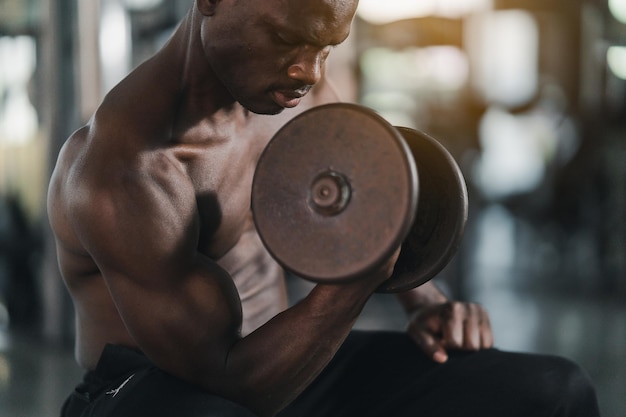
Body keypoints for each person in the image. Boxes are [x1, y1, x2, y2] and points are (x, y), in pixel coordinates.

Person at [47, 1, 600, 416]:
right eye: (288, 38)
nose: (310, 72)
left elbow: (367, 190)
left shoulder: (290, 89)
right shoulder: (125, 169)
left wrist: (424, 301)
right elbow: (231, 377)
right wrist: (355, 284)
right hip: (158, 388)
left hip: (294, 355)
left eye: (327, 47)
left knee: (554, 392)